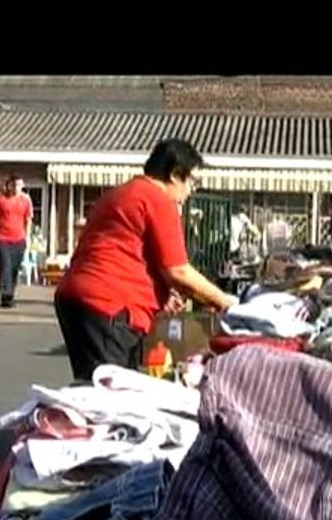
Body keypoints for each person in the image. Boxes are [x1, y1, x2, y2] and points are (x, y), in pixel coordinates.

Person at [54, 138, 238, 382]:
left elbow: (127, 251)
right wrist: (225, 302)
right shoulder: (157, 200)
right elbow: (178, 271)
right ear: (174, 175)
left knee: (94, 386)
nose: (192, 190)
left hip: (77, 298)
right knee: (111, 395)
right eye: (192, 181)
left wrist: (162, 292)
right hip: (109, 303)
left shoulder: (120, 194)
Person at [0, 174, 32, 308]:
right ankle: (6, 295)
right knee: (5, 265)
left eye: (19, 185)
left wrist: (27, 238)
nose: (17, 188)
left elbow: (28, 220)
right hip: (3, 238)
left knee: (14, 268)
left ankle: (9, 291)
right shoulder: (0, 199)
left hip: (19, 239)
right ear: (9, 185)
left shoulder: (25, 201)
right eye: (14, 185)